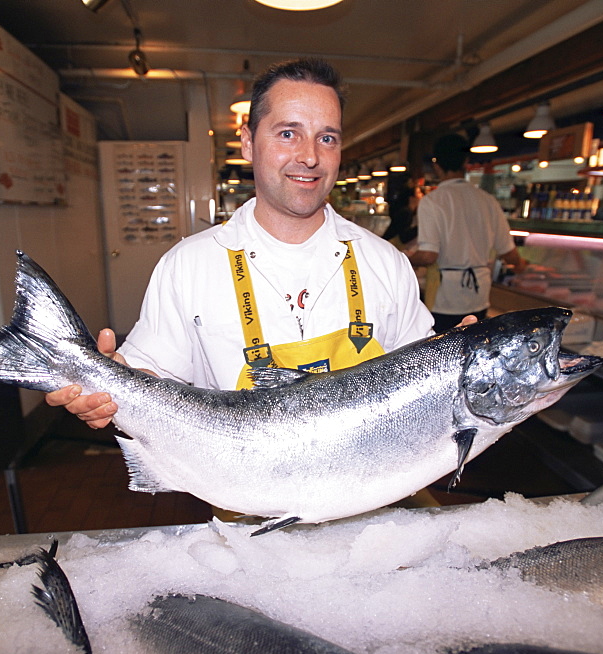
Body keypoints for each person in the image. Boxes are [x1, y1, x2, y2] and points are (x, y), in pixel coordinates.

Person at [48, 58, 436, 429]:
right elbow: (156, 371)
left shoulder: (387, 263)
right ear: (249, 143)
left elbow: (424, 385)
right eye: (288, 133)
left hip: (371, 488)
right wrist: (107, 388)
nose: (310, 156)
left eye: (327, 138)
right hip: (240, 489)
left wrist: (460, 364)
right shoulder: (188, 266)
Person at [407, 133, 526, 334]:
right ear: (466, 162)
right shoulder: (488, 200)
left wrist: (403, 259)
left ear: (437, 165)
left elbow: (428, 255)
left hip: (445, 297)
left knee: (445, 354)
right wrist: (524, 267)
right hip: (479, 295)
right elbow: (509, 253)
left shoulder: (433, 201)